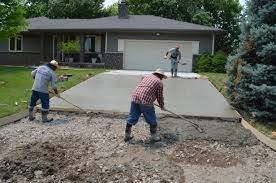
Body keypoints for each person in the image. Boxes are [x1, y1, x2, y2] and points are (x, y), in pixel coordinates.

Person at [124, 68, 167, 142]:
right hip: (146, 101)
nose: (162, 79)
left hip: (135, 97)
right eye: (162, 77)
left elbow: (144, 88)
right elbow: (159, 96)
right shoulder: (159, 82)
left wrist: (148, 97)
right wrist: (162, 106)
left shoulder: (146, 77)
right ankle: (154, 137)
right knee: (152, 119)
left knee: (132, 117)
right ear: (160, 75)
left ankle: (127, 136)